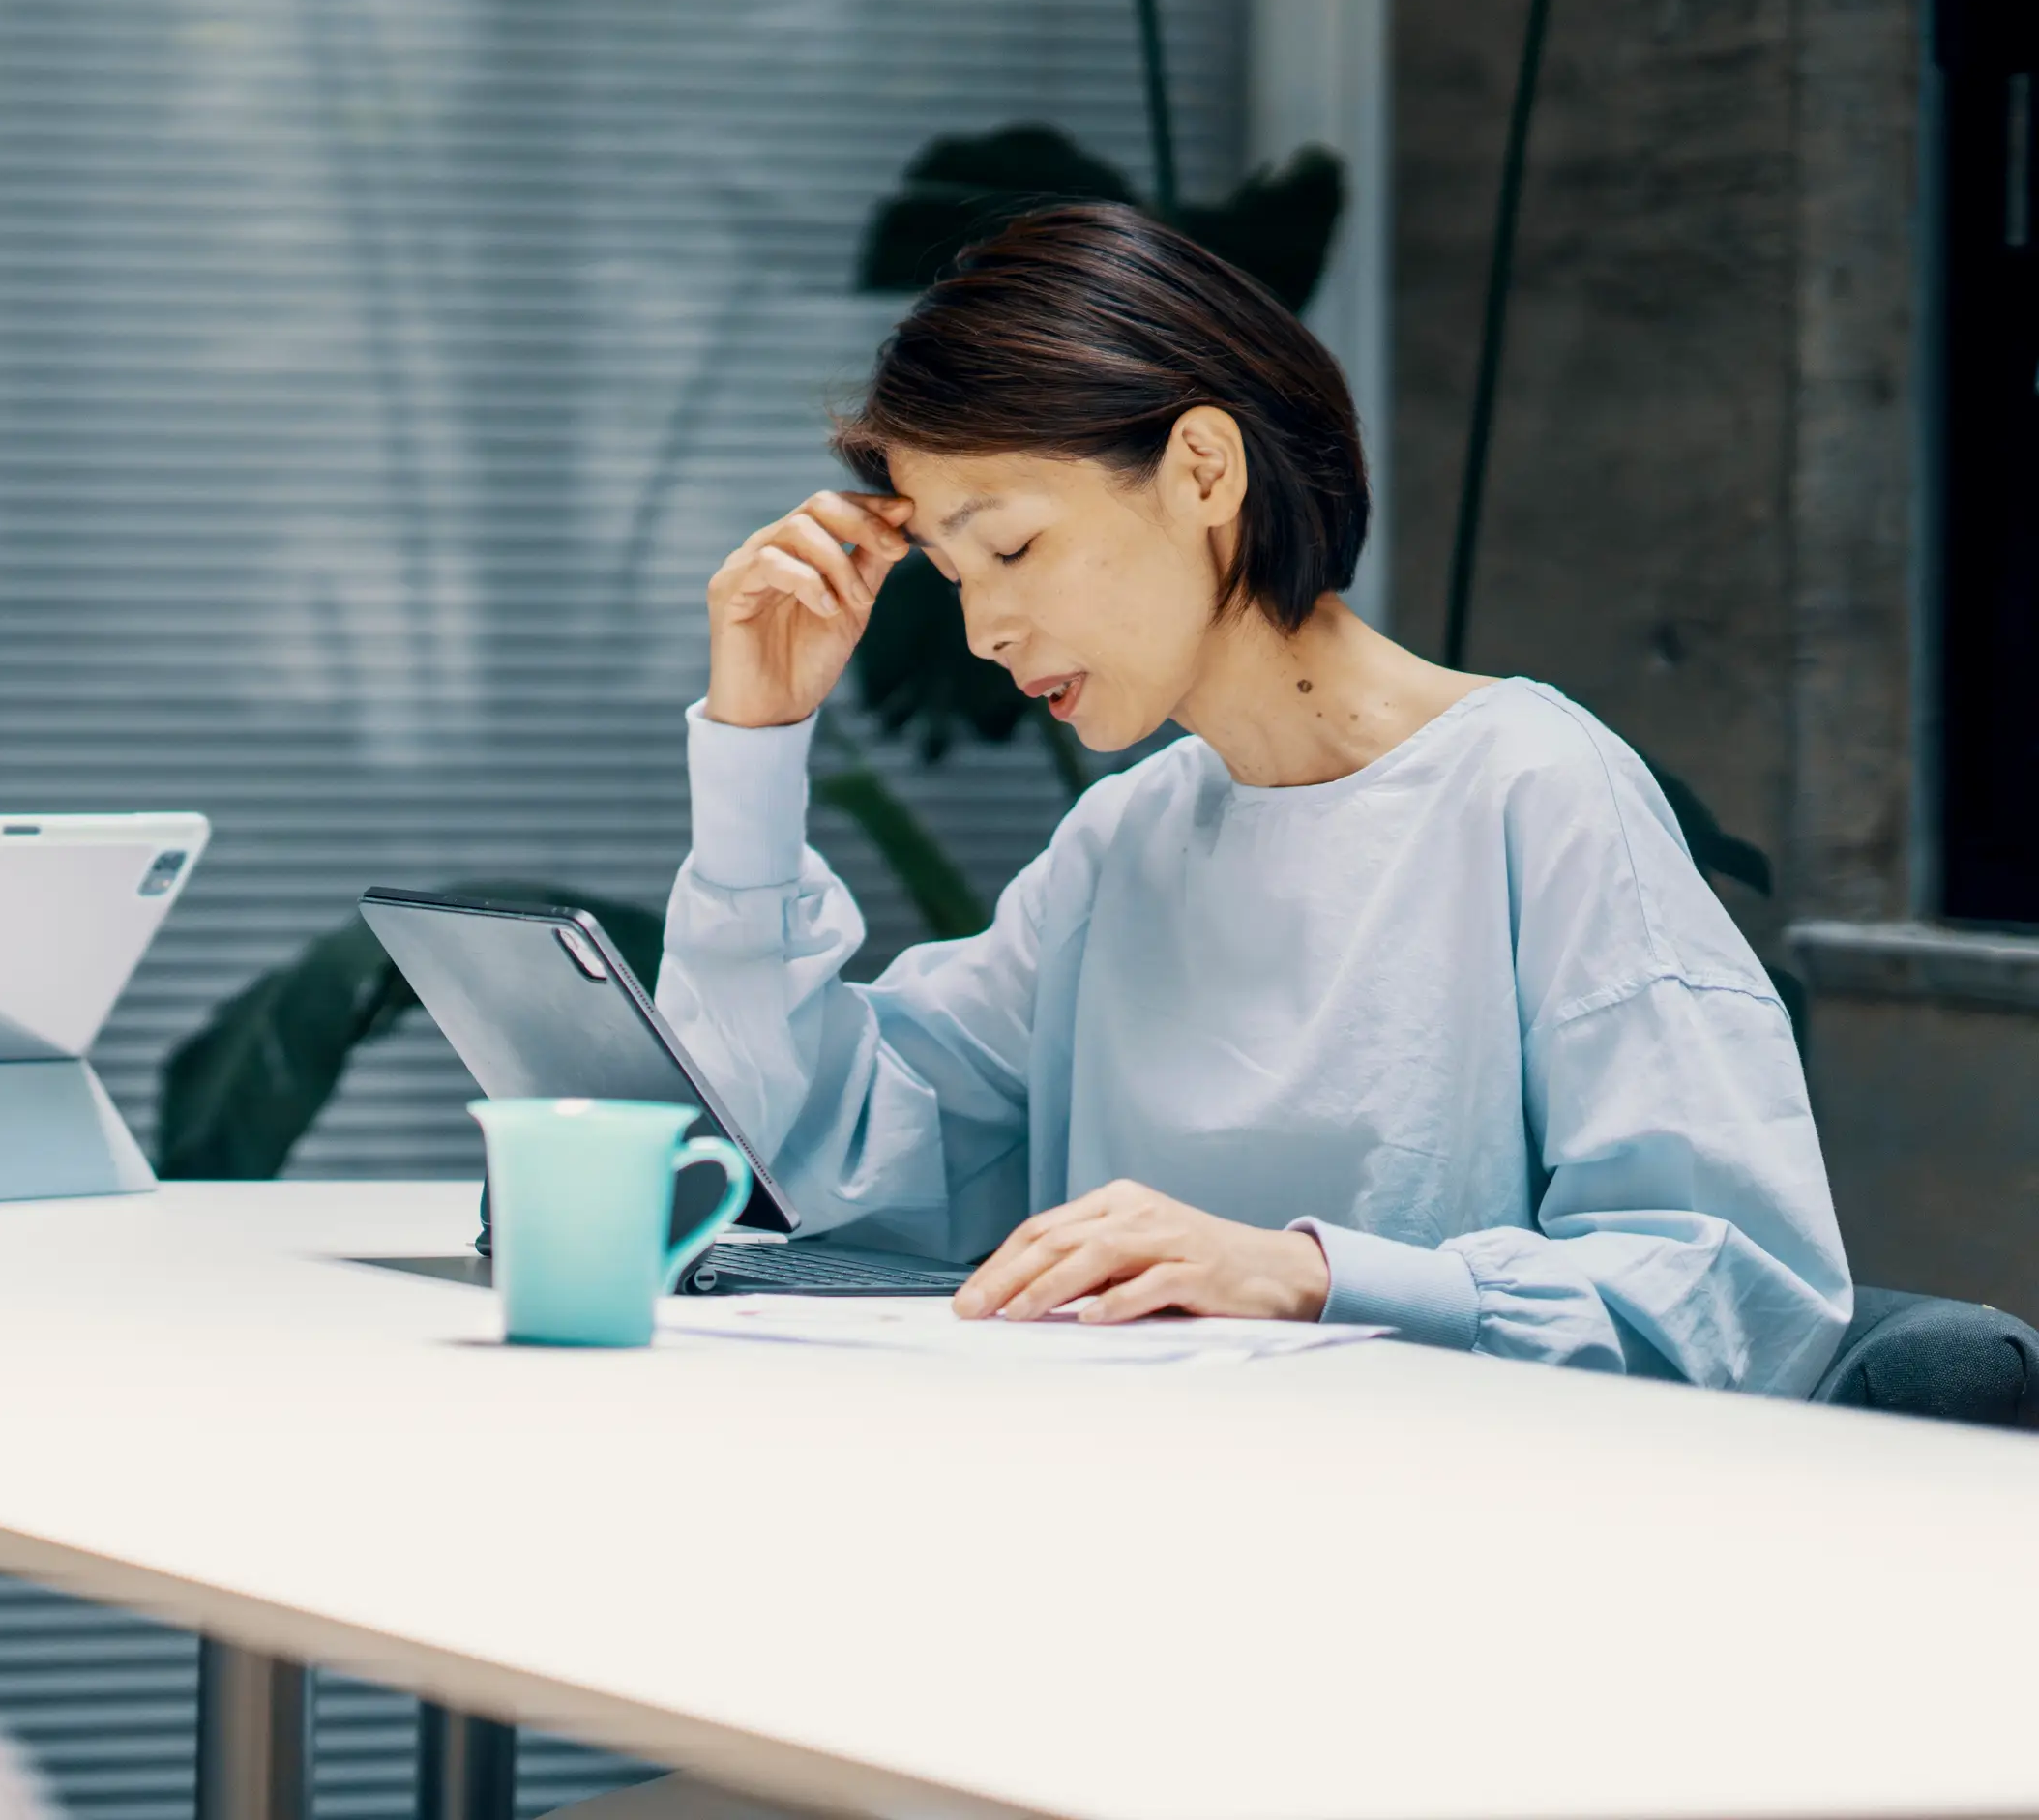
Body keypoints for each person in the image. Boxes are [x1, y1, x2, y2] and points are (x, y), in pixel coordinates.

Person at [660, 204, 1847, 1393]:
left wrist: (1308, 1275)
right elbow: (824, 1159)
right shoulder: (1125, 842)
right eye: (959, 579)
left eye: (1012, 550)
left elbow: (1728, 1293)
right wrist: (755, 744)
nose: (984, 630)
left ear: (1203, 470)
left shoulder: (1534, 791)